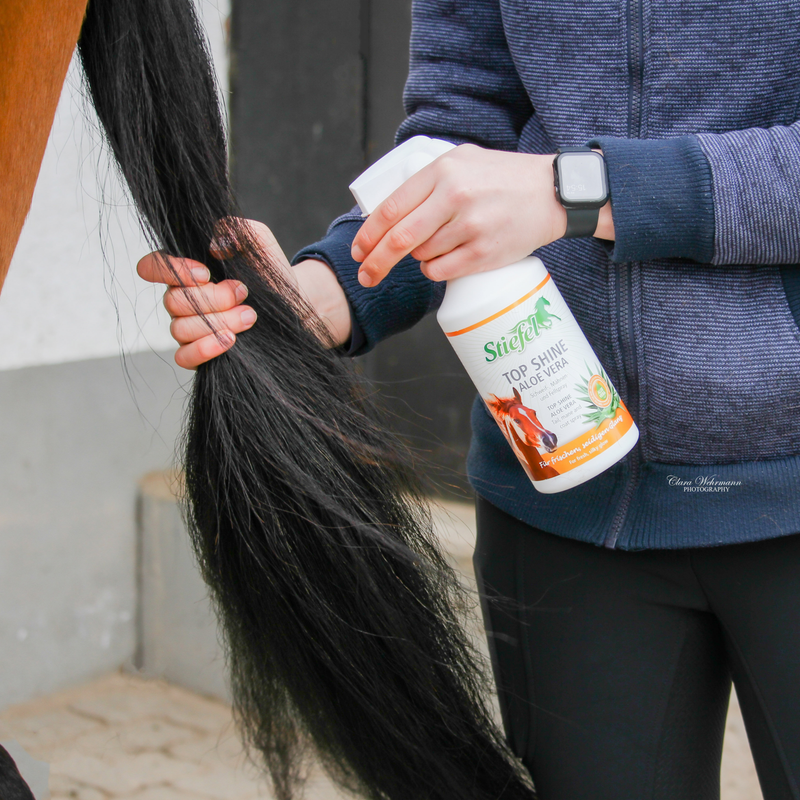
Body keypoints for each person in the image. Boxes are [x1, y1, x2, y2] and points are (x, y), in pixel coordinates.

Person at [137, 0, 800, 797]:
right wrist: (321, 294)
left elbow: (539, 189)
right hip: (562, 512)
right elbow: (458, 140)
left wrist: (579, 191)